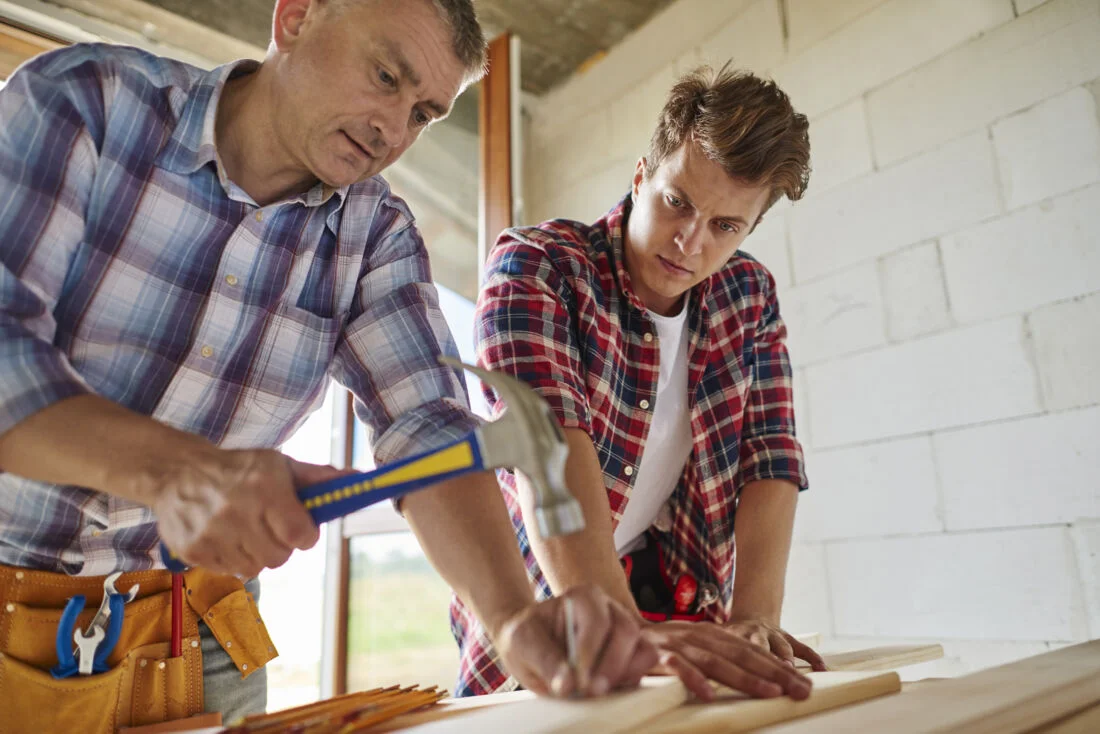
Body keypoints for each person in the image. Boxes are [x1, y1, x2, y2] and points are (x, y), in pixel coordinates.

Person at [0, 0, 657, 728]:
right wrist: (176, 472)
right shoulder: (87, 101)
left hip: (202, 622)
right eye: (385, 75)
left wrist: (510, 617)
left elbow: (428, 429)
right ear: (297, 16)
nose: (392, 130)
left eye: (424, 114)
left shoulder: (374, 235)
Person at [451, 65, 825, 701]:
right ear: (641, 174)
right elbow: (546, 456)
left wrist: (756, 618)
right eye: (677, 201)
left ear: (749, 231)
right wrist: (618, 629)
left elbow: (770, 457)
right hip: (551, 601)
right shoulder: (538, 268)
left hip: (678, 593)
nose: (689, 240)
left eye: (724, 226)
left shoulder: (750, 297)